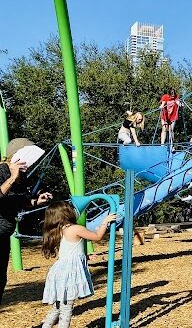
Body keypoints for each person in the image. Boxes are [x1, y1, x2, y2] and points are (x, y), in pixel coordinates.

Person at [40, 201, 115, 328]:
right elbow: (97, 236)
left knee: (58, 307)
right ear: (66, 213)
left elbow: (67, 252)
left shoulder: (57, 231)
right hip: (69, 274)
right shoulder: (75, 228)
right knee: (66, 309)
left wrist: (84, 257)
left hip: (58, 272)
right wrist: (105, 221)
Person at [1, 138, 52, 306]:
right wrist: (12, 177)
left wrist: (37, 201)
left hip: (3, 234)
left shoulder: (21, 178)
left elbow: (17, 201)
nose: (29, 164)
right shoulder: (2, 172)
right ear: (15, 156)